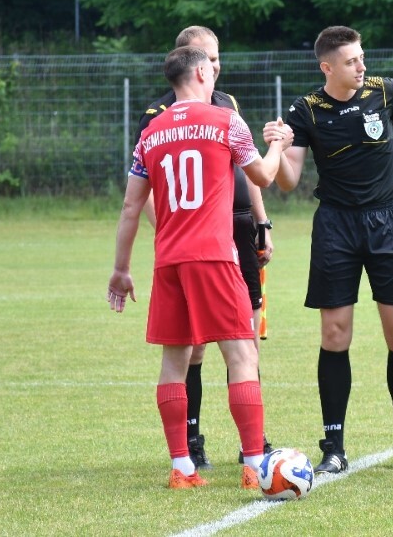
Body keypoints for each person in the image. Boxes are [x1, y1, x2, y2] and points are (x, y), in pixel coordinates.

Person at [107, 45, 291, 489]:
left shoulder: (150, 132)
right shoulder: (227, 121)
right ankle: (253, 464)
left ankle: (182, 467)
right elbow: (263, 177)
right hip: (214, 255)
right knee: (242, 353)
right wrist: (278, 145)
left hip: (168, 260)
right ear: (204, 73)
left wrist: (121, 269)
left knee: (175, 360)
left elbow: (131, 207)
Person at [273, 25, 393, 473]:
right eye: (351, 61)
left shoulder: (387, 92)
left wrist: (392, 184)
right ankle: (334, 448)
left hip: (387, 224)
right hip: (335, 226)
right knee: (335, 336)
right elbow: (288, 181)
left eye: (362, 58)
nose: (361, 66)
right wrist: (278, 146)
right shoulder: (306, 109)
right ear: (327, 67)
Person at [135, 26, 274, 471]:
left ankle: (242, 447)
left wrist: (260, 221)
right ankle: (207, 444)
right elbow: (146, 195)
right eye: (208, 61)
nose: (216, 67)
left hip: (230, 229)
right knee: (217, 348)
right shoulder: (158, 116)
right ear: (191, 64)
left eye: (218, 58)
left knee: (243, 338)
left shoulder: (227, 105)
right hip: (203, 242)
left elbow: (244, 173)